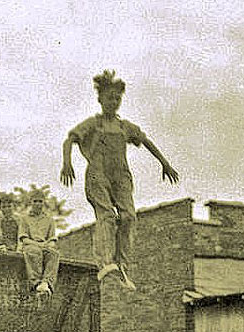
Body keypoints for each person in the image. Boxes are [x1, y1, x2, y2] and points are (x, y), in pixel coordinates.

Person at [60, 70, 179, 290]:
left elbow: (146, 141)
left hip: (120, 176)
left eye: (117, 98)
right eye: (109, 98)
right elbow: (70, 140)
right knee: (106, 216)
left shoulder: (124, 126)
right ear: (100, 99)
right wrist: (67, 163)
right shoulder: (93, 124)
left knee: (128, 217)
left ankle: (121, 265)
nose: (113, 102)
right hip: (98, 174)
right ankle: (105, 262)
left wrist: (164, 163)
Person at [18, 190, 59, 295]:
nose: (38, 204)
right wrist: (39, 245)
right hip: (30, 244)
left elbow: (53, 240)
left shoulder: (49, 220)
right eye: (35, 201)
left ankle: (46, 283)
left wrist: (48, 245)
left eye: (40, 201)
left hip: (45, 245)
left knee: (54, 253)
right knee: (34, 251)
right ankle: (36, 283)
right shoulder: (25, 219)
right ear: (31, 202)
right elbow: (24, 239)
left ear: (44, 202)